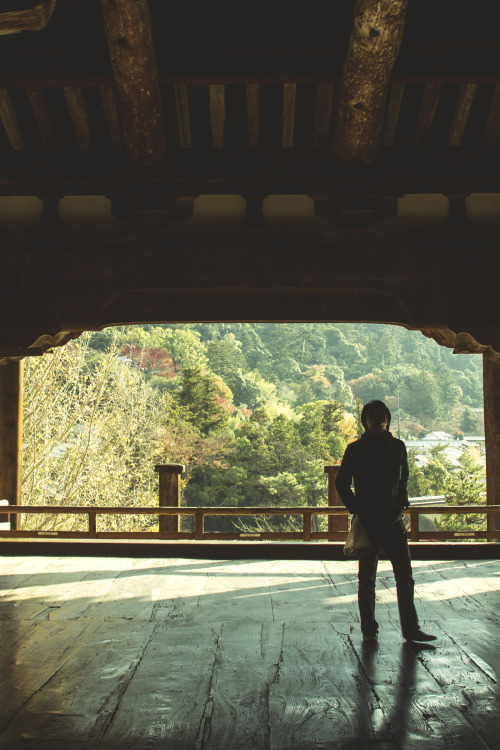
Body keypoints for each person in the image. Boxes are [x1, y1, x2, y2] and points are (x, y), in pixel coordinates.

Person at [335, 400, 436, 644]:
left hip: (391, 519)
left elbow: (404, 479)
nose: (378, 418)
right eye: (373, 415)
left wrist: (401, 502)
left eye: (382, 414)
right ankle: (370, 629)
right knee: (368, 578)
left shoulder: (397, 447)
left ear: (388, 418)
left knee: (404, 575)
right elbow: (342, 483)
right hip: (370, 520)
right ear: (365, 421)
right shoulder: (355, 449)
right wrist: (357, 508)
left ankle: (409, 628)